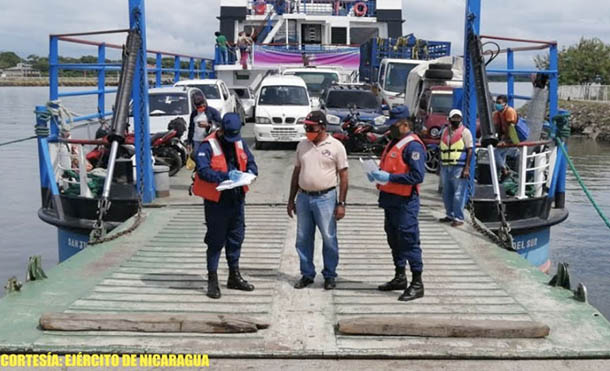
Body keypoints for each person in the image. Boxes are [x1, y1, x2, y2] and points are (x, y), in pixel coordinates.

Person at [192, 113, 258, 299]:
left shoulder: (239, 142)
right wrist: (225, 177)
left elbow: (251, 162)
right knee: (215, 240)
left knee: (236, 237)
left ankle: (233, 276)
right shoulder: (208, 145)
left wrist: (251, 172)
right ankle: (212, 280)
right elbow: (203, 171)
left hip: (236, 198)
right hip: (217, 201)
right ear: (220, 129)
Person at [369, 106, 426, 302]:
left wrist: (390, 177)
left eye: (393, 125)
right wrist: (377, 174)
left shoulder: (413, 146)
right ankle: (400, 276)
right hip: (390, 200)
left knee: (409, 241)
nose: (390, 129)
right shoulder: (394, 142)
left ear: (404, 124)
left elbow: (417, 176)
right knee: (394, 239)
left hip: (405, 202)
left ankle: (417, 283)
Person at [287, 111, 349, 290]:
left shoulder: (336, 146)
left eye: (311, 127)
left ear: (322, 127)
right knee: (303, 238)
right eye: (306, 127)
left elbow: (344, 176)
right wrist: (291, 199)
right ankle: (307, 274)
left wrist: (342, 203)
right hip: (304, 198)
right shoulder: (302, 145)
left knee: (329, 238)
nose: (307, 130)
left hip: (326, 198)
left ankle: (329, 275)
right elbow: (296, 172)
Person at [438, 109, 473, 227]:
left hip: (459, 166)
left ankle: (458, 217)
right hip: (445, 166)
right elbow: (441, 148)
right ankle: (450, 215)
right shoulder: (444, 132)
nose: (456, 120)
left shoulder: (465, 132)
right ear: (449, 119)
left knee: (458, 193)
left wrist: (467, 168)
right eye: (454, 118)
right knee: (446, 192)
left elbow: (470, 150)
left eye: (458, 118)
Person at [493, 95, 520, 175]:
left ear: (505, 104)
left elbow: (510, 128)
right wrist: (499, 139)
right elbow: (498, 128)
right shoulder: (497, 114)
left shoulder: (509, 111)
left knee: (496, 153)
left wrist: (505, 140)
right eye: (496, 102)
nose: (497, 105)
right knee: (502, 154)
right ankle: (503, 172)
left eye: (499, 103)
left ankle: (504, 169)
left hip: (513, 137)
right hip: (504, 137)